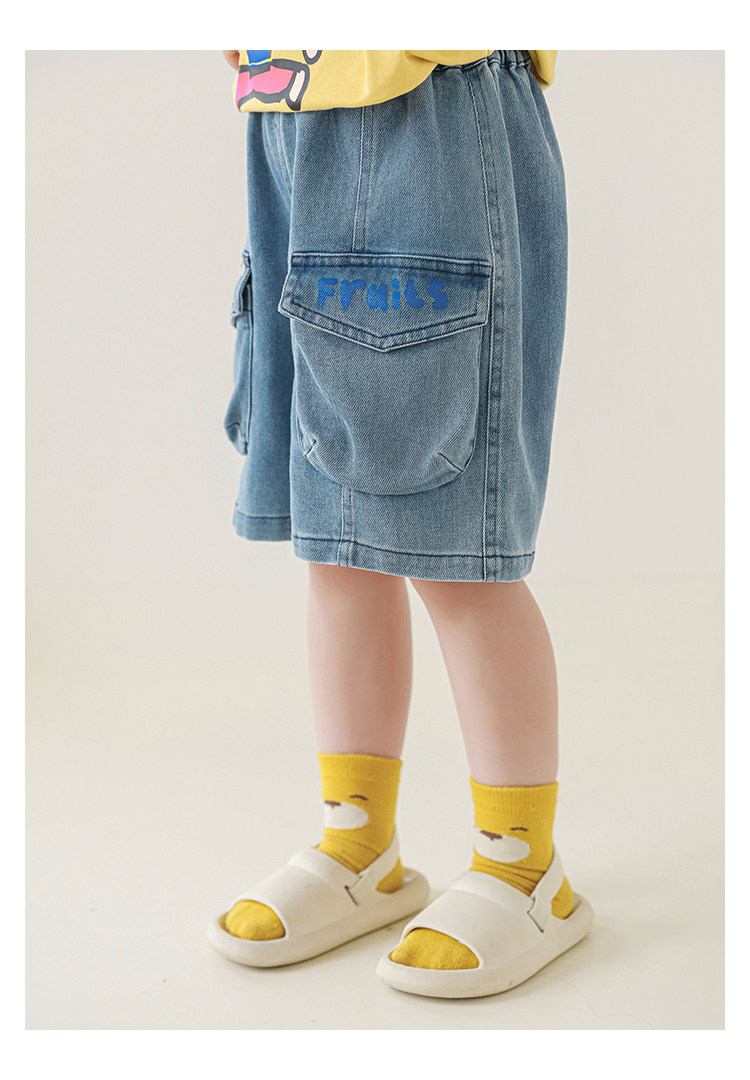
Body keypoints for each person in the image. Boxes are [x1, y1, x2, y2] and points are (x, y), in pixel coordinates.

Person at [207, 49, 594, 1000]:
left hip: (428, 112)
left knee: (455, 548)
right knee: (336, 542)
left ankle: (524, 867)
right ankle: (360, 846)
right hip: (296, 118)